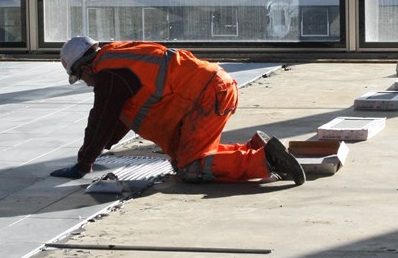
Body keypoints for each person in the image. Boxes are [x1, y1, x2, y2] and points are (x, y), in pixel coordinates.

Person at [50, 36, 305, 186]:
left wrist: (84, 163)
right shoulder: (119, 55)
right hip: (212, 88)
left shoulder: (108, 74)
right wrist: (101, 146)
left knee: (191, 168)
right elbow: (119, 118)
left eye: (81, 77)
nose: (86, 83)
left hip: (206, 95)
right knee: (184, 158)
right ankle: (258, 148)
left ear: (84, 67)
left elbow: (102, 117)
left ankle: (263, 161)